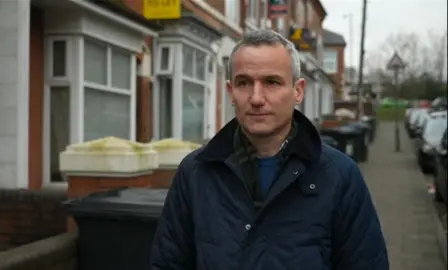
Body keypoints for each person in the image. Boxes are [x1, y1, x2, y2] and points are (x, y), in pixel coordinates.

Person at [150, 29, 389, 270]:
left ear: (298, 91)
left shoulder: (339, 175)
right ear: (231, 92)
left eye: (271, 82)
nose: (256, 97)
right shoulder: (195, 173)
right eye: (244, 83)